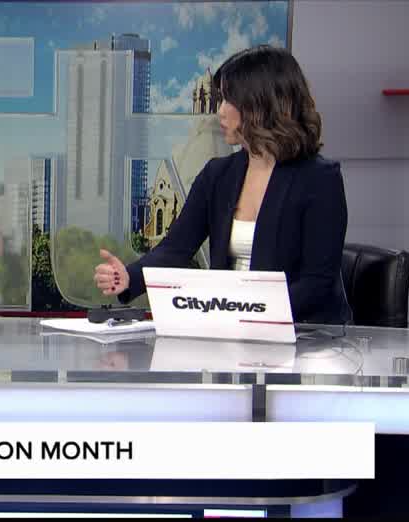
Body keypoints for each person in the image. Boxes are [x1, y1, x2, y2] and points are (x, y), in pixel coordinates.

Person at [94, 45, 352, 326]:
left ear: (260, 104)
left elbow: (316, 282)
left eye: (228, 100)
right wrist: (130, 277)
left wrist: (252, 317)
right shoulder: (218, 175)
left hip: (303, 338)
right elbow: (175, 249)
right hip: (233, 330)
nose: (220, 112)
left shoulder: (319, 179)